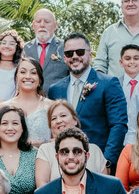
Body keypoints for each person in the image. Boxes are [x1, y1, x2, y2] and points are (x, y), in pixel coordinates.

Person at [46, 33, 128, 166]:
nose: (74, 56)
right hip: (65, 163)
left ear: (90, 55)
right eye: (69, 53)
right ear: (65, 58)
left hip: (97, 161)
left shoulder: (108, 84)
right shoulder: (55, 89)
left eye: (80, 52)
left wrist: (106, 161)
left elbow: (118, 125)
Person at [35, 100, 107, 183]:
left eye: (63, 115)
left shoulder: (94, 150)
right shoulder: (45, 150)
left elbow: (105, 185)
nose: (58, 121)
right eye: (53, 118)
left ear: (75, 120)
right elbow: (42, 185)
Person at [3, 55, 54, 144]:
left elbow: (60, 139)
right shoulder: (4, 107)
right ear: (16, 77)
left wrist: (42, 144)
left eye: (33, 73)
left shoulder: (51, 106)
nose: (28, 76)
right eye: (23, 72)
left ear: (40, 79)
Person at [23, 7, 69, 86]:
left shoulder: (66, 47)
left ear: (55, 26)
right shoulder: (25, 48)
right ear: (33, 25)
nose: (42, 25)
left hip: (56, 94)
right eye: (38, 21)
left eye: (47, 22)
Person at [0, 29, 24, 102]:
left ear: (17, 47)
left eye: (12, 43)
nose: (7, 46)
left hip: (11, 107)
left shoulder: (20, 69)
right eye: (3, 43)